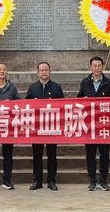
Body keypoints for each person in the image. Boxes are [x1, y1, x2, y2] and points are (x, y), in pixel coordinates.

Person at [77, 55, 110, 191]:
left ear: (103, 67)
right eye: (94, 66)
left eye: (99, 66)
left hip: (105, 124)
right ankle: (92, 179)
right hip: (89, 125)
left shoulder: (109, 83)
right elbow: (78, 100)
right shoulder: (85, 83)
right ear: (90, 67)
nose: (97, 68)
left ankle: (104, 179)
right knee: (90, 153)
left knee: (104, 153)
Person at [25, 61, 64, 191]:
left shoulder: (56, 87)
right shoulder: (32, 87)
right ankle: (37, 181)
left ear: (50, 71)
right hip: (37, 126)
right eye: (41, 70)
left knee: (52, 154)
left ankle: (52, 181)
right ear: (37, 72)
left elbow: (63, 105)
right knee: (37, 154)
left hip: (52, 126)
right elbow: (27, 105)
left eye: (46, 70)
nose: (44, 72)